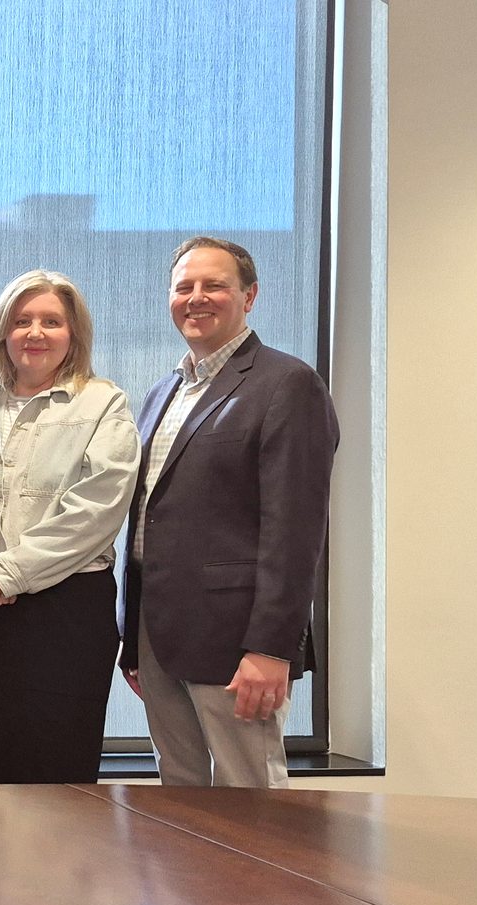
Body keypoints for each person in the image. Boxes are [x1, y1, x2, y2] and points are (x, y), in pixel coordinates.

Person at [121, 237, 338, 788]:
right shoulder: (162, 392)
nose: (196, 298)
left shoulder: (286, 384)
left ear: (250, 296)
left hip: (237, 639)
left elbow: (296, 531)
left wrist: (272, 647)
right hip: (158, 635)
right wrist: (132, 638)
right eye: (183, 287)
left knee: (250, 799)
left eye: (214, 285)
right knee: (180, 797)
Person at [0, 270, 140, 783]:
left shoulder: (103, 403)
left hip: (65, 612)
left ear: (74, 334)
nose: (36, 332)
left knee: (55, 779)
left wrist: (9, 573)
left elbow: (96, 509)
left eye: (52, 321)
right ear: (2, 330)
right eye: (22, 320)